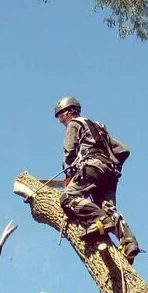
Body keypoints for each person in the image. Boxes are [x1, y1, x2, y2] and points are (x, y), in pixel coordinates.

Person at [53, 96, 142, 262]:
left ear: (69, 112)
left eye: (60, 116)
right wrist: (112, 166)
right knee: (108, 207)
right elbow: (123, 151)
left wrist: (69, 175)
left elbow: (69, 151)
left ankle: (100, 220)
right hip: (111, 172)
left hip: (92, 167)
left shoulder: (75, 124)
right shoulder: (99, 127)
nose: (60, 121)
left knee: (68, 198)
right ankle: (129, 243)